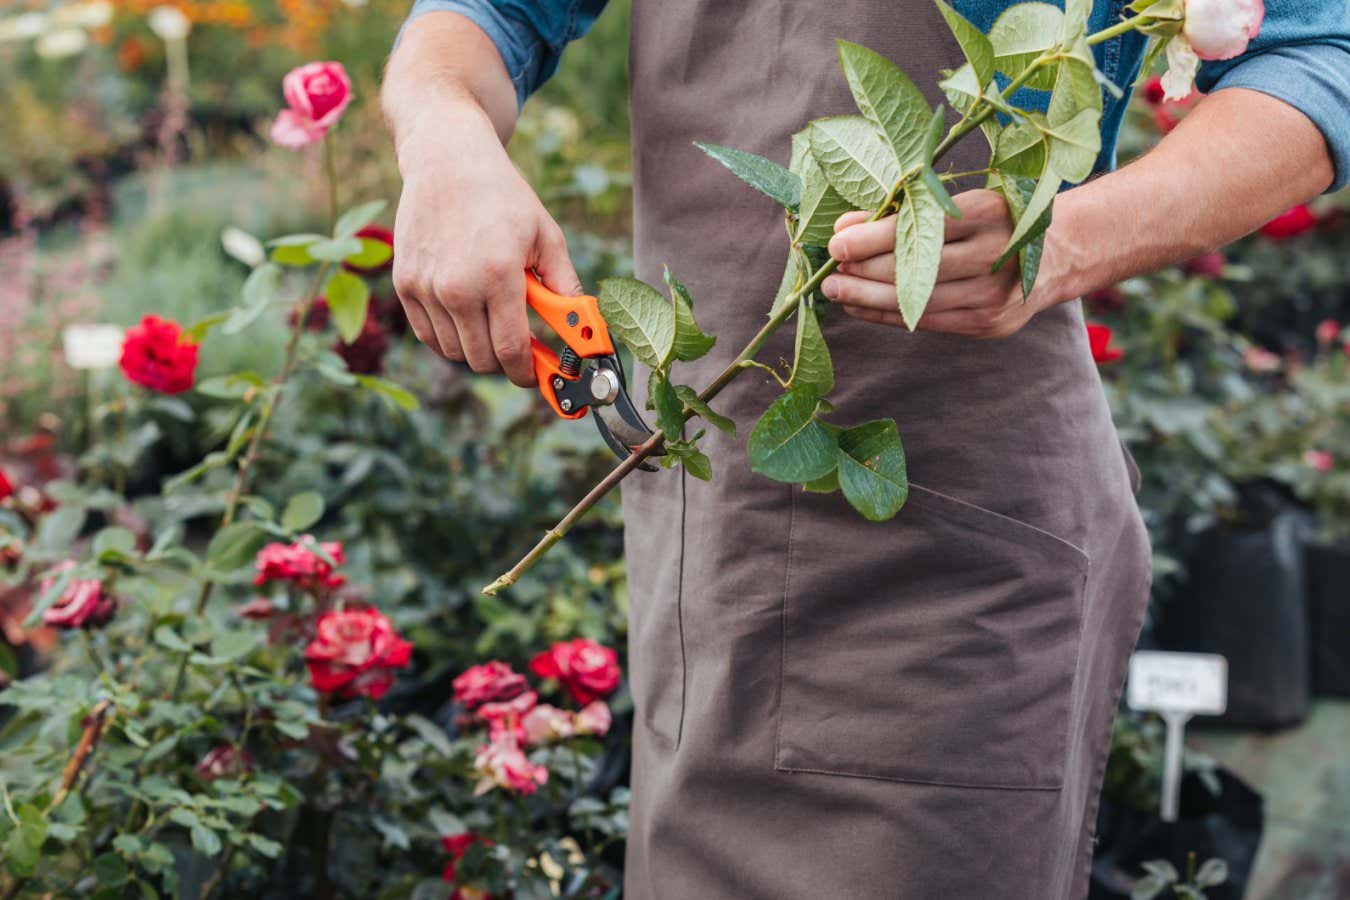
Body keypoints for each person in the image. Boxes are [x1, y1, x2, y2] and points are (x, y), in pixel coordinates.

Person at [382, 2, 1349, 897]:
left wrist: (1066, 240)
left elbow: (1319, 52)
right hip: (710, 542)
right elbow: (493, 14)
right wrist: (442, 130)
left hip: (945, 574)